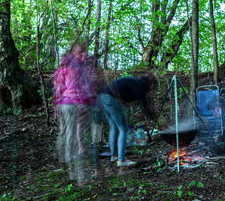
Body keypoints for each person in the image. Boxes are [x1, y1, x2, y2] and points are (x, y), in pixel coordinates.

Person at [53, 44, 101, 184]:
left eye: (85, 53)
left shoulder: (63, 68)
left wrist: (58, 104)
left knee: (71, 136)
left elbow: (58, 88)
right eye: (81, 53)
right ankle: (81, 176)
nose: (84, 55)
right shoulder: (82, 69)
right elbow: (88, 88)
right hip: (77, 104)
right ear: (73, 54)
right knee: (79, 139)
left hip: (67, 104)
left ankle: (72, 172)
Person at [98, 75, 157, 166]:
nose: (152, 89)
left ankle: (114, 156)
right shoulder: (139, 85)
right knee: (123, 129)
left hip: (102, 98)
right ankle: (121, 160)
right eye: (153, 86)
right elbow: (144, 105)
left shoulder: (133, 82)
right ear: (151, 83)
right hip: (111, 100)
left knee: (114, 127)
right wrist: (153, 117)